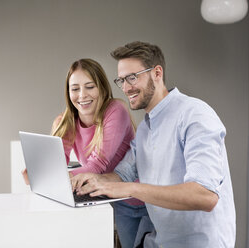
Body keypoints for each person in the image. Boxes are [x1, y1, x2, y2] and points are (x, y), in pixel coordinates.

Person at [71, 42, 236, 248]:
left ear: (157, 73)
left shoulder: (195, 114)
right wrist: (94, 179)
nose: (125, 88)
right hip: (160, 242)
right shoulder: (145, 130)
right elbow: (124, 173)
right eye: (121, 80)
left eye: (132, 77)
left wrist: (129, 189)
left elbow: (204, 195)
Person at [22, 58, 153, 248]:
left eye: (90, 87)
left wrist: (50, 177)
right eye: (75, 89)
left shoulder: (115, 110)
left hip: (134, 200)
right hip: (101, 198)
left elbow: (96, 167)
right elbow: (58, 165)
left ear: (101, 88)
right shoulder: (65, 121)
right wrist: (39, 174)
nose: (82, 95)